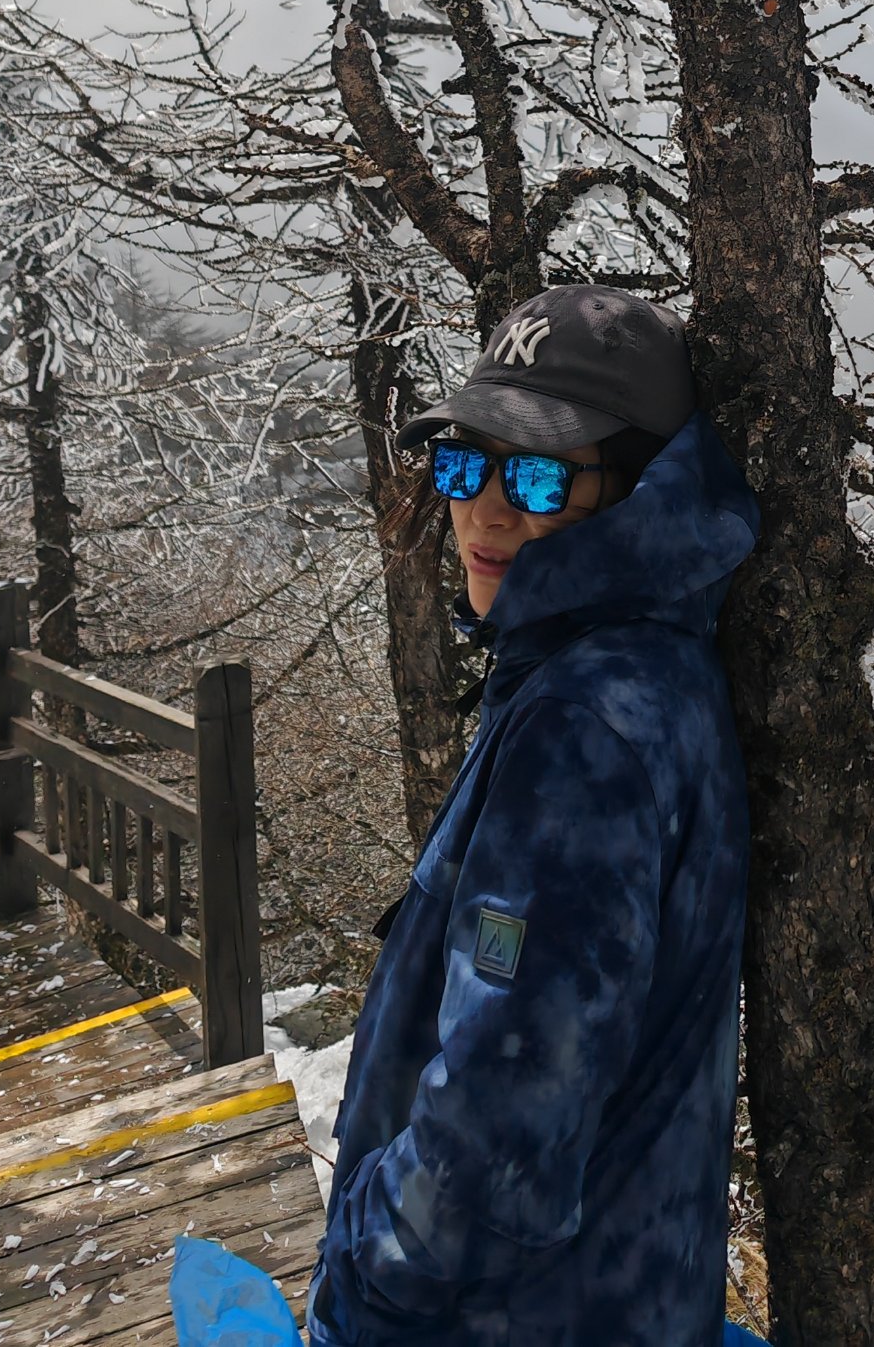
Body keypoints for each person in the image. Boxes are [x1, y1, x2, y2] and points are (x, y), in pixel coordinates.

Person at [305, 285, 761, 1347]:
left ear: (636, 486)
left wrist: (368, 1277)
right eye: (464, 461)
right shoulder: (639, 669)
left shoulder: (580, 731)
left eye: (542, 472)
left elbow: (499, 1132)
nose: (485, 510)